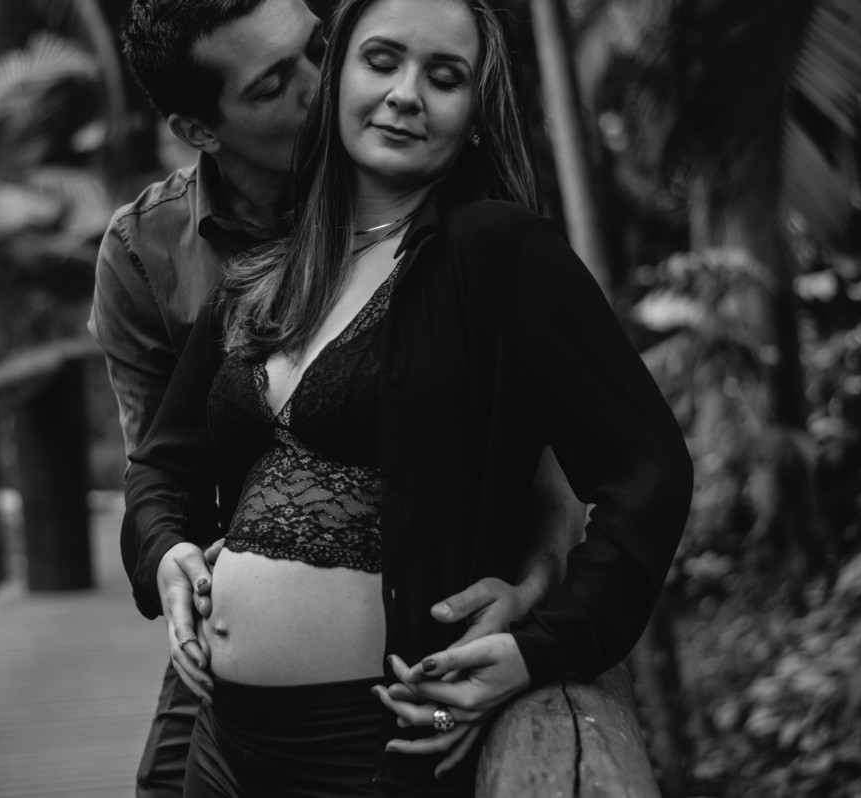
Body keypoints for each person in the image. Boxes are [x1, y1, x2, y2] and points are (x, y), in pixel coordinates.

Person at [121, 0, 694, 794]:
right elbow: (162, 467)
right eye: (382, 61)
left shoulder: (501, 254)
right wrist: (167, 553)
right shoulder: (265, 273)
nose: (405, 94)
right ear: (340, 79)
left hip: (372, 745)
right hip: (220, 746)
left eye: (445, 76)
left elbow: (649, 473)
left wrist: (547, 643)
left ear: (476, 115)